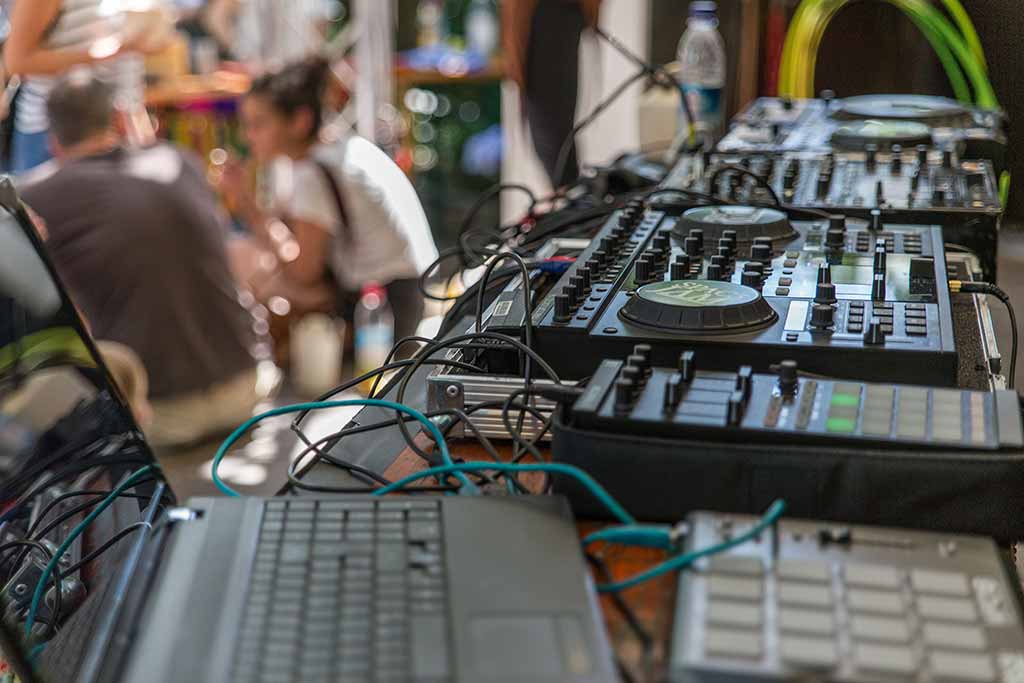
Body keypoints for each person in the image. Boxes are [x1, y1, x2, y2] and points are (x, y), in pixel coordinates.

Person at [20, 73, 263, 448]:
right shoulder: (179, 159)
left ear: (53, 141)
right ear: (119, 120)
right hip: (247, 385)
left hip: (160, 411)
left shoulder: (36, 194)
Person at [222, 57, 438, 347]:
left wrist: (247, 206)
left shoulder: (313, 173)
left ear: (300, 121)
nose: (248, 137)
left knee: (254, 277)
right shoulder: (341, 148)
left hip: (384, 309)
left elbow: (303, 273)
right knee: (253, 259)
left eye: (258, 124)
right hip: (411, 292)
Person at [3, 0, 168, 173]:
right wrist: (100, 54)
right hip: (59, 135)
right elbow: (16, 62)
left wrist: (136, 122)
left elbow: (126, 64)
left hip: (117, 127)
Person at [503, 0, 602, 188]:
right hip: (545, 14)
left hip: (550, 12)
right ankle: (568, 200)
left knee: (552, 138)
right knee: (550, 139)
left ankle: (569, 201)